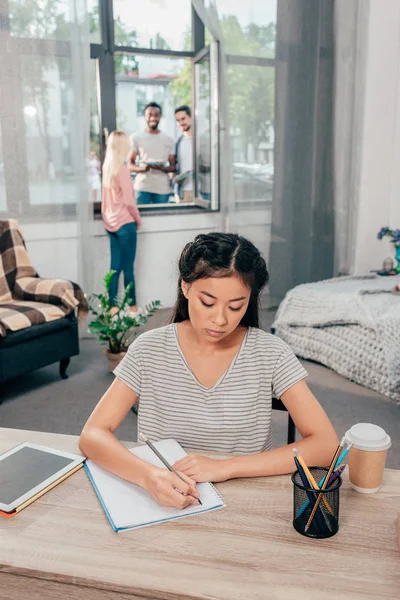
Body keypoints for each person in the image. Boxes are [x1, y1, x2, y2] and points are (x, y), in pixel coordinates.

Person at [79, 233, 339, 509]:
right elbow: (93, 435)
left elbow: (326, 445)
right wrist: (148, 477)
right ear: (186, 287)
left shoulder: (270, 354)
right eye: (208, 302)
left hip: (244, 500)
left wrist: (226, 467)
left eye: (236, 306)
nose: (220, 319)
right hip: (162, 496)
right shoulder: (149, 349)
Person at [101, 131, 142, 314]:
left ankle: (113, 308)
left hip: (111, 224)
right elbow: (129, 202)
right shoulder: (122, 170)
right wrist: (137, 220)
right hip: (126, 224)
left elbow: (104, 201)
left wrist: (107, 218)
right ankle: (133, 308)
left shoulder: (107, 168)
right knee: (128, 269)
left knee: (114, 268)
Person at [129, 102, 175, 205]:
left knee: (162, 219)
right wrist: (143, 168)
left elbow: (173, 167)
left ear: (160, 117)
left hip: (162, 189)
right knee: (141, 219)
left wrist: (162, 168)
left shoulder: (169, 140)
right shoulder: (136, 138)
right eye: (150, 115)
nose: (153, 118)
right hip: (142, 187)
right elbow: (129, 165)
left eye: (156, 115)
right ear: (144, 117)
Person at [174, 105, 193, 203]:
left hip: (200, 191)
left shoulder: (201, 140)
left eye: (183, 119)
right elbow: (174, 167)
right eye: (178, 120)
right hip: (182, 191)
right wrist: (175, 177)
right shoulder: (178, 142)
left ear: (191, 117)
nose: (181, 123)